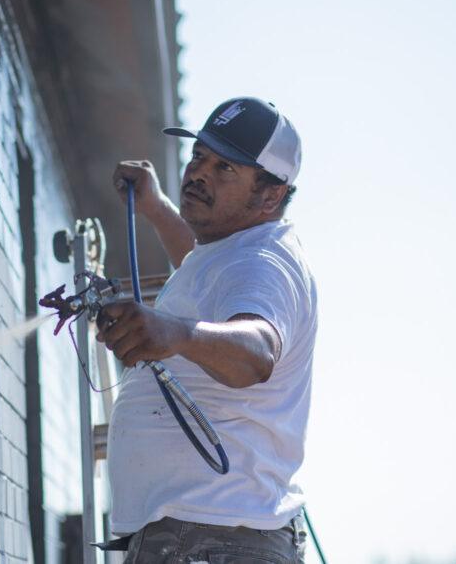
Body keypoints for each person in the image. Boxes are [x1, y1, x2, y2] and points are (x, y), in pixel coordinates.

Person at [98, 97, 318, 563]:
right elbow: (206, 282)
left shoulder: (262, 263)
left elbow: (256, 351)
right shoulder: (232, 252)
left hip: (211, 542)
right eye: (199, 156)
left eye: (225, 169)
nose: (199, 173)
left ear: (270, 196)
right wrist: (157, 208)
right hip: (210, 539)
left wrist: (174, 333)